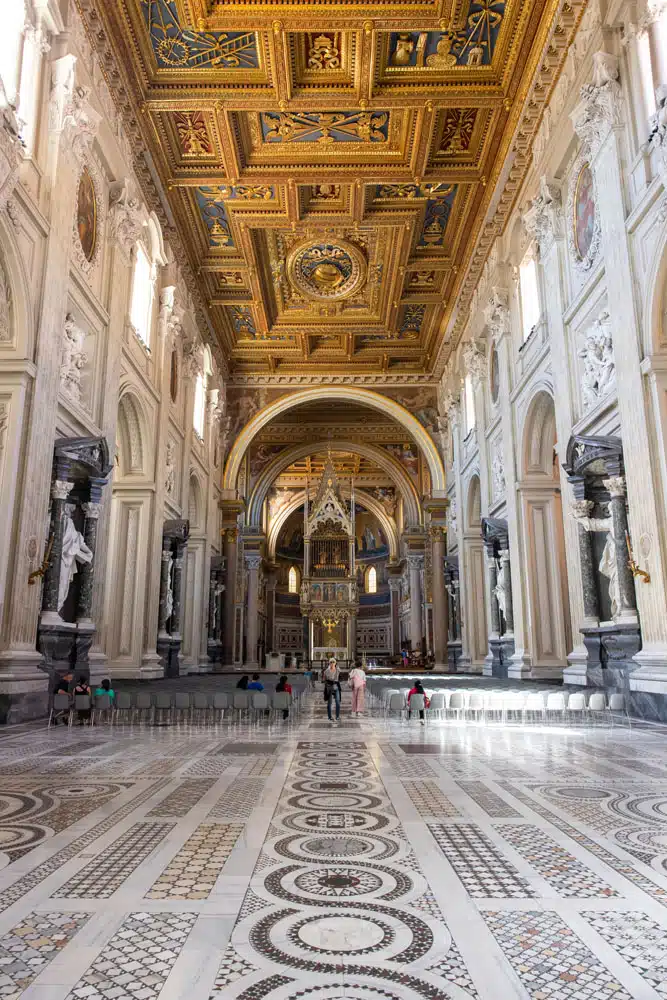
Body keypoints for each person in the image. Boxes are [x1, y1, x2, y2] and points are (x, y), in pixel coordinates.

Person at [323, 657, 341, 724]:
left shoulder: (338, 670)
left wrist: (334, 679)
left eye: (333, 662)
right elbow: (328, 678)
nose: (332, 663)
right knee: (329, 703)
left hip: (336, 687)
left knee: (338, 702)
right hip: (329, 687)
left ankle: (337, 716)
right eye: (331, 662)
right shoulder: (326, 671)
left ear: (335, 663)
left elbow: (337, 678)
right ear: (329, 663)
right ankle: (330, 716)